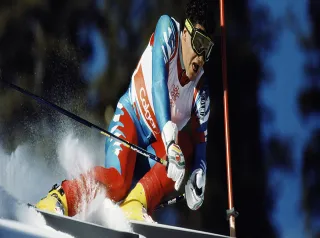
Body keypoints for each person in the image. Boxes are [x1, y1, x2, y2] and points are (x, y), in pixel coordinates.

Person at [36, 0, 214, 222]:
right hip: (130, 121)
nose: (200, 56)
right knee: (118, 182)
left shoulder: (200, 93)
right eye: (199, 43)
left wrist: (198, 178)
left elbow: (200, 145)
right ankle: (61, 198)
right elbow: (158, 80)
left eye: (207, 50)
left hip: (154, 155)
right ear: (185, 33)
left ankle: (135, 205)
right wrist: (170, 137)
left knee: (184, 148)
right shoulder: (168, 31)